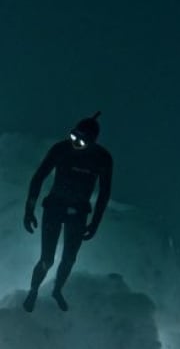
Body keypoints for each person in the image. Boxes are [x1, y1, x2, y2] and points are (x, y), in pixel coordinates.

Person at [22, 112, 113, 312]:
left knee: (69, 259)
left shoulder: (102, 158)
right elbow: (38, 178)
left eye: (82, 140)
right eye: (73, 136)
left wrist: (95, 223)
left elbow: (104, 194)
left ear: (93, 141)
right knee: (47, 258)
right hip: (54, 207)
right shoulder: (61, 149)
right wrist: (28, 211)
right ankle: (34, 290)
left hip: (78, 213)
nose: (76, 142)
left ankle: (57, 290)